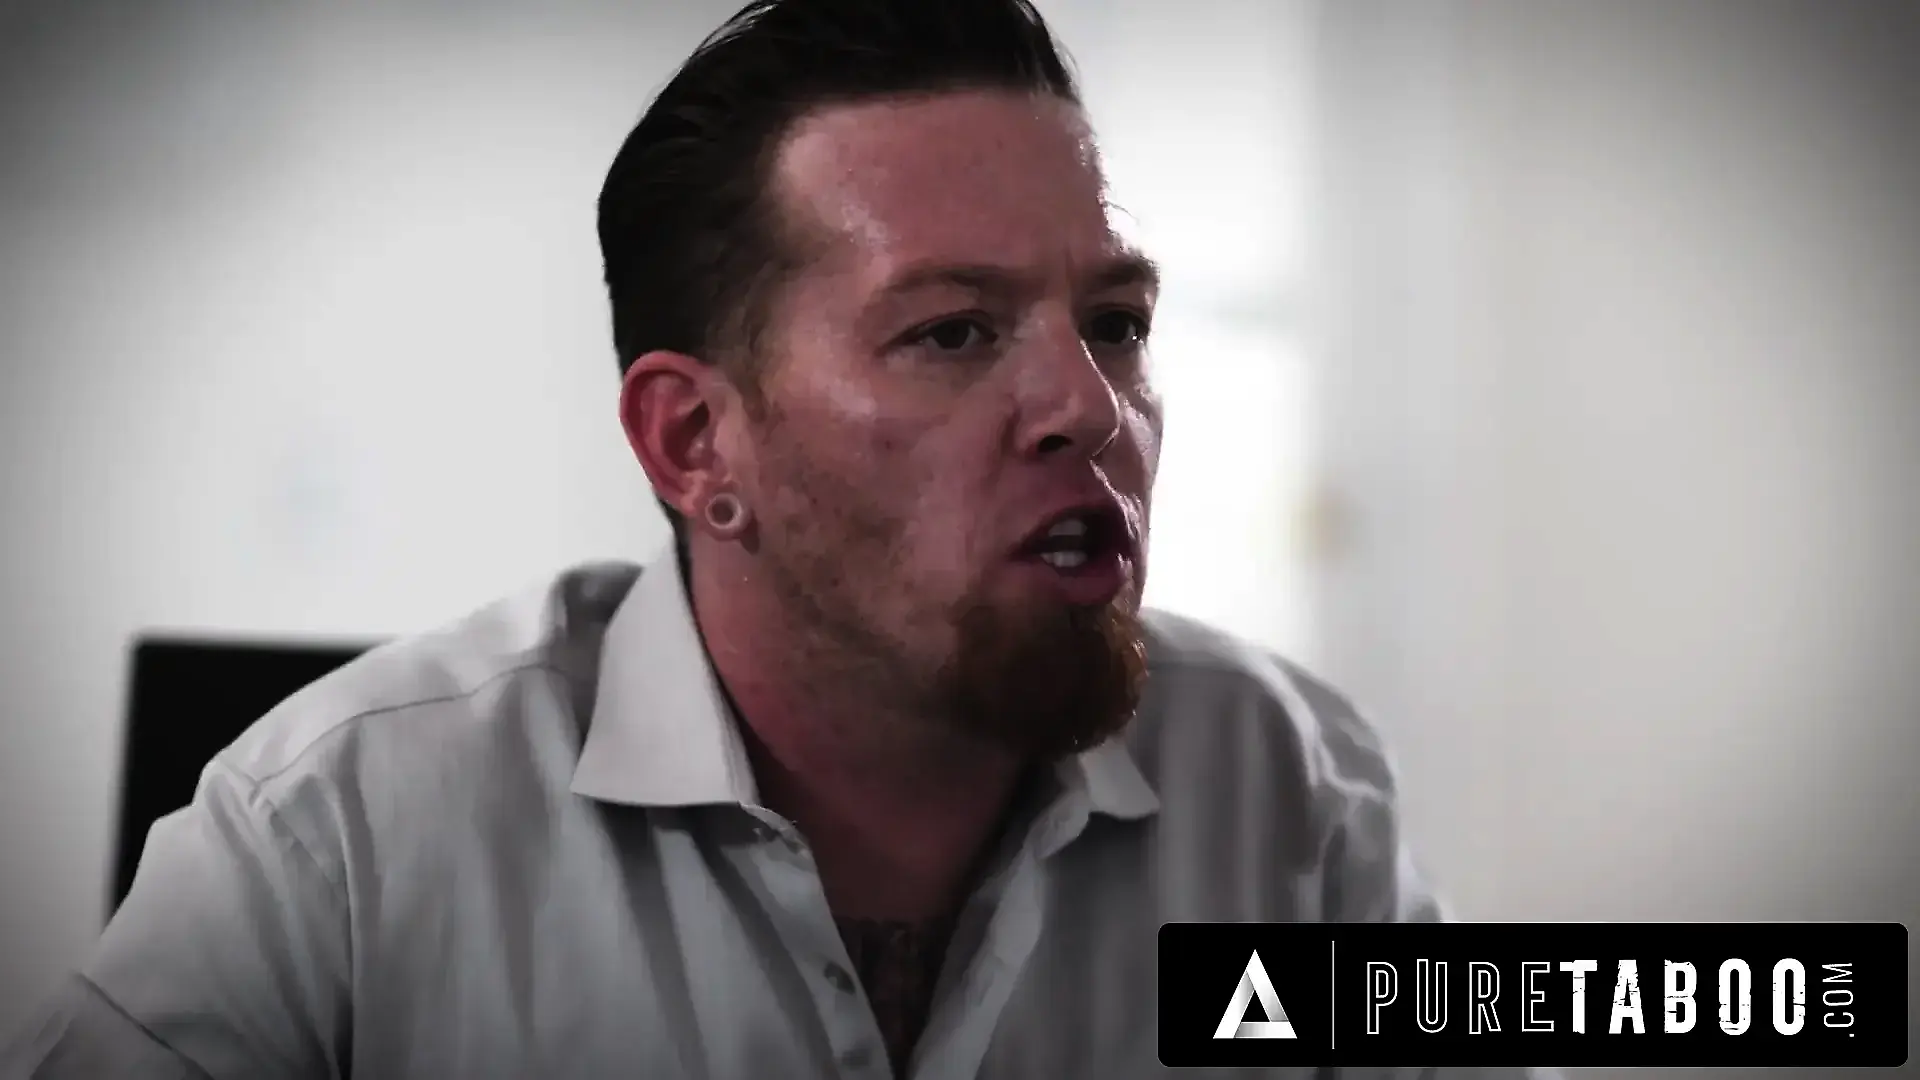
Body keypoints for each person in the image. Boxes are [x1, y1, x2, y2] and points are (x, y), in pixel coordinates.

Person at [1, 1, 1547, 1077]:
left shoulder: (1289, 789)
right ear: (695, 443)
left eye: (1118, 322)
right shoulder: (337, 838)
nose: (1089, 407)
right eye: (952, 333)